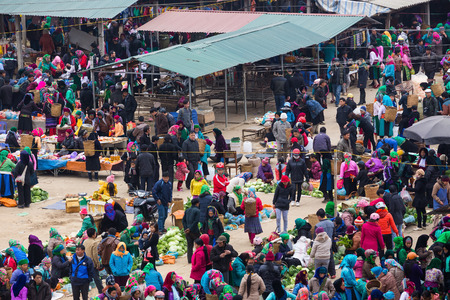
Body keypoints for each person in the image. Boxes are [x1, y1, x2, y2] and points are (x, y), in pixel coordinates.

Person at [83, 228, 104, 294]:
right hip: (92, 263)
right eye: (95, 233)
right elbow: (95, 254)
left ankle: (84, 291)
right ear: (93, 235)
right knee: (96, 278)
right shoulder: (94, 243)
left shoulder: (85, 241)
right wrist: (97, 264)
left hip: (85, 262)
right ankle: (101, 290)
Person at [183, 198, 201, 264]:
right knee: (198, 245)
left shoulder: (187, 210)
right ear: (197, 203)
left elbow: (183, 220)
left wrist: (186, 228)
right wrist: (190, 228)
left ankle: (189, 260)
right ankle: (197, 259)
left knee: (189, 246)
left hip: (187, 232)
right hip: (194, 230)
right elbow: (196, 221)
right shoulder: (197, 211)